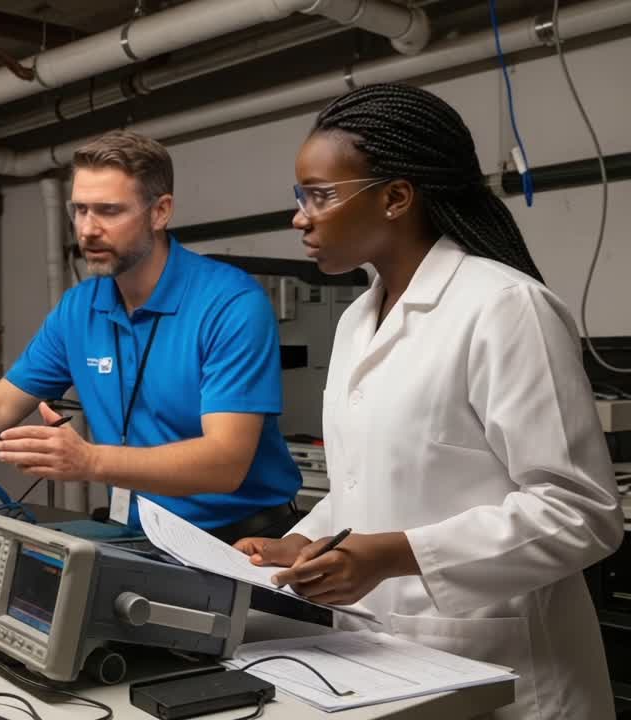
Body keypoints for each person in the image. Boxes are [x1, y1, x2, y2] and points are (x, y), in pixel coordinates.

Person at [234, 83, 622, 719]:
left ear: (395, 197)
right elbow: (373, 484)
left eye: (320, 195)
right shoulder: (358, 319)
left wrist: (395, 554)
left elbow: (581, 512)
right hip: (384, 664)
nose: (300, 217)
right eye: (298, 196)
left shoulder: (503, 307)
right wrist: (305, 541)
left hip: (510, 669)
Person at [0, 130, 303, 539]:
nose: (88, 230)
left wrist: (90, 461)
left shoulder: (230, 304)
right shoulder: (80, 307)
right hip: (141, 535)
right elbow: (0, 405)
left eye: (109, 211)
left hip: (240, 541)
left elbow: (225, 462)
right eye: (80, 210)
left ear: (160, 212)